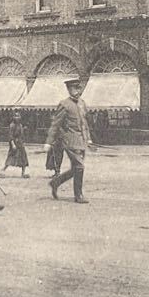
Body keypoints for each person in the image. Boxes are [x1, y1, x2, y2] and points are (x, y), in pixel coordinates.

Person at [47, 76, 95, 204]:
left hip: (81, 140)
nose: (77, 91)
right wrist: (48, 141)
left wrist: (89, 140)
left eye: (79, 89)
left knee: (76, 168)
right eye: (74, 89)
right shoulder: (64, 104)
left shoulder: (82, 103)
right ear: (68, 90)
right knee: (80, 166)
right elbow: (55, 124)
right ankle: (78, 195)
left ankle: (55, 182)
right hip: (69, 140)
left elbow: (85, 124)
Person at [2, 112, 29, 178]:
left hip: (20, 143)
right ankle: (3, 170)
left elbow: (22, 135)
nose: (17, 118)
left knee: (23, 158)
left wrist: (23, 142)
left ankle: (23, 173)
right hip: (14, 142)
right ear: (13, 117)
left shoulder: (20, 125)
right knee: (11, 156)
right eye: (16, 116)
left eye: (18, 116)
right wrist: (13, 144)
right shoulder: (12, 125)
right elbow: (10, 136)